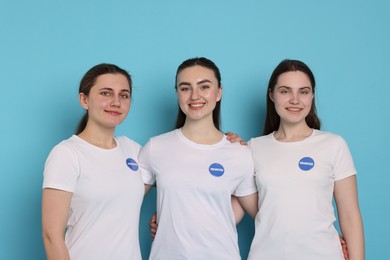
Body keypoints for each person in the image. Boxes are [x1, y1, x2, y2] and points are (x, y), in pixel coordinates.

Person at [139, 57, 258, 259]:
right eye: (185, 88)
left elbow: (261, 214)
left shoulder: (239, 152)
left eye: (204, 87)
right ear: (177, 93)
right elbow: (123, 201)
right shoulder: (156, 147)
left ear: (218, 92)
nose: (195, 96)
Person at [247, 59, 364, 259]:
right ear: (271, 95)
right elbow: (262, 210)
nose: (295, 100)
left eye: (303, 91)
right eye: (285, 91)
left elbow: (350, 217)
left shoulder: (333, 145)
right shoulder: (253, 148)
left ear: (312, 95)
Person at [41, 64, 144, 260]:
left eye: (124, 95)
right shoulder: (66, 154)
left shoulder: (134, 150)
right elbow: (51, 236)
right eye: (106, 93)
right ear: (84, 99)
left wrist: (221, 143)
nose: (116, 102)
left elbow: (176, 179)